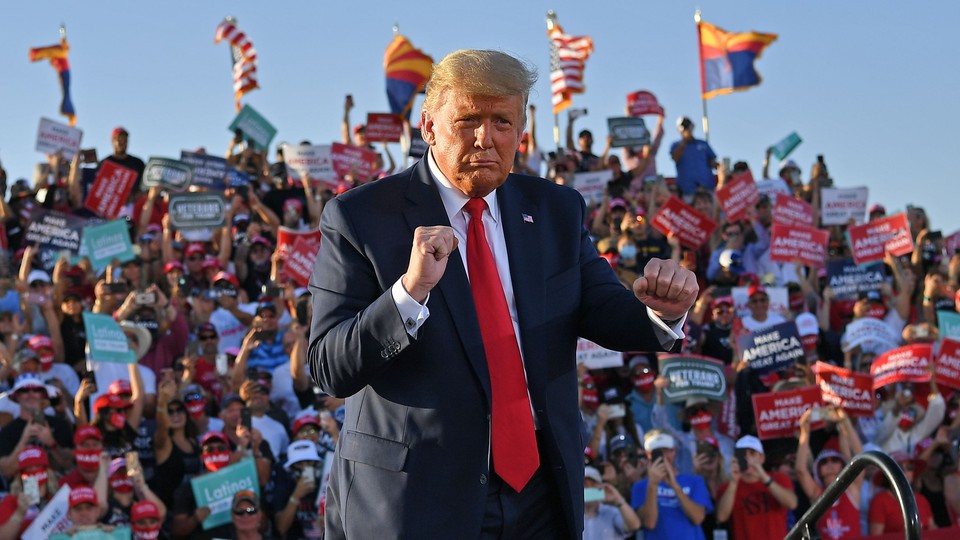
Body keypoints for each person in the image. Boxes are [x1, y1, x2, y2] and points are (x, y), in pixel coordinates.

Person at [308, 49, 698, 539]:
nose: (485, 138)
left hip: (539, 495)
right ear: (428, 126)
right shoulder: (360, 217)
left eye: (502, 122)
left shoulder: (556, 209)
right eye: (468, 119)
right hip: (416, 499)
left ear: (521, 129)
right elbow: (327, 366)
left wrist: (663, 313)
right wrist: (409, 294)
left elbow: (605, 310)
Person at [631, 430, 711, 540]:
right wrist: (653, 484)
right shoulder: (640, 486)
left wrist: (675, 485)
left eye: (667, 451)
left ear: (674, 452)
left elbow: (697, 518)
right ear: (648, 455)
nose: (663, 457)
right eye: (657, 453)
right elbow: (649, 523)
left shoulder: (695, 481)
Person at [716, 435, 798, 540]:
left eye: (752, 453)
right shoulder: (727, 487)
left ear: (762, 458)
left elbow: (792, 503)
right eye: (743, 454)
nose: (748, 458)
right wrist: (734, 482)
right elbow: (721, 517)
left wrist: (763, 477)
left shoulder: (779, 478)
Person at [583, 465, 640, 540]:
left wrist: (618, 499)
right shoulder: (573, 516)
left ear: (600, 486)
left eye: (593, 484)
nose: (589, 489)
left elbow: (634, 525)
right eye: (585, 485)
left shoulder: (611, 512)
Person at [670, 116, 717, 198]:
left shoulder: (703, 144)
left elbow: (712, 162)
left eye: (688, 126)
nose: (687, 130)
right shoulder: (676, 145)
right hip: (687, 191)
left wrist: (721, 167)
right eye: (684, 128)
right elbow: (675, 158)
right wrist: (684, 141)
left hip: (706, 189)